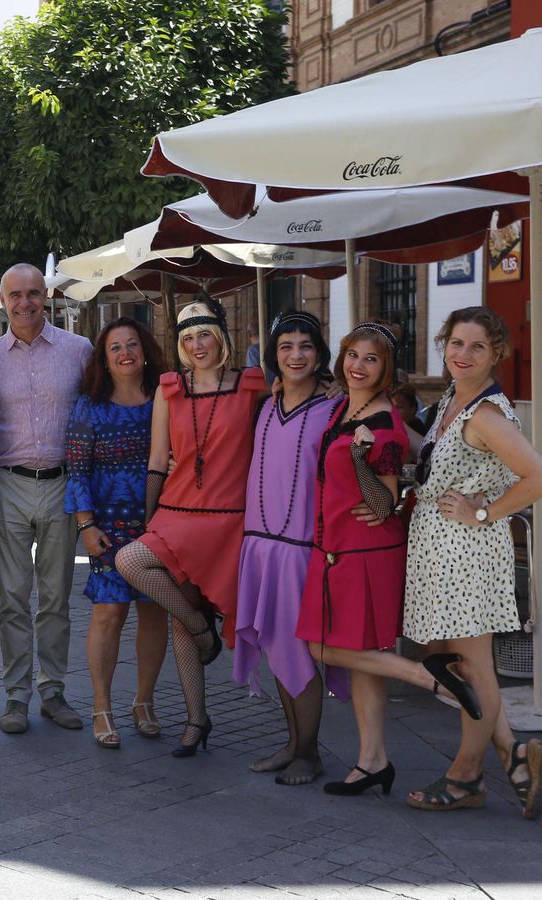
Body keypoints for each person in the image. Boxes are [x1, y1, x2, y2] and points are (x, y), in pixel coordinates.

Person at [402, 308, 542, 818]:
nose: (462, 355)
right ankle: (512, 752)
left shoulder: (486, 414)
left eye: (476, 348)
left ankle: (466, 777)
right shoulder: (453, 398)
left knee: (472, 665)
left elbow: (541, 479)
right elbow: (440, 458)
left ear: (496, 355)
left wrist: (483, 511)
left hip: (466, 554)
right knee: (454, 661)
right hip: (441, 551)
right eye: (456, 343)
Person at [296, 323, 460, 799]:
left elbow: (386, 502)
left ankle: (423, 675)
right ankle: (372, 761)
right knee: (364, 660)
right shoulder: (344, 407)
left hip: (365, 552)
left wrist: (368, 461)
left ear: (385, 369)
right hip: (333, 549)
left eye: (371, 358)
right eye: (352, 355)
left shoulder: (384, 423)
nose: (358, 365)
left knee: (321, 647)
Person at [116, 298, 266, 757]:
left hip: (229, 520)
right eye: (187, 338)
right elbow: (158, 460)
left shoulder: (251, 385)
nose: (196, 345)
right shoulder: (169, 388)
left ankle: (197, 722)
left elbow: (268, 454)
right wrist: (148, 518)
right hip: (177, 513)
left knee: (181, 612)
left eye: (204, 335)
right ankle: (204, 634)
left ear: (219, 336)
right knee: (132, 559)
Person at [0, 263, 93, 734]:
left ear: (46, 296)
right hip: (8, 483)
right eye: (14, 295)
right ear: (2, 301)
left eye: (32, 294)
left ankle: (53, 691)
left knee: (56, 597)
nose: (23, 303)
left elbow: (98, 409)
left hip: (63, 484)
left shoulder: (79, 351)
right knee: (11, 596)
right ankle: (16, 696)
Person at [233, 311, 336, 784]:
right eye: (287, 346)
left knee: (299, 651)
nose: (296, 355)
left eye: (306, 346)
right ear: (273, 356)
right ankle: (292, 743)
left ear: (320, 354)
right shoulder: (265, 403)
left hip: (301, 547)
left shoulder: (336, 407)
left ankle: (310, 753)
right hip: (259, 544)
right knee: (275, 645)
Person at [64, 317, 169, 748]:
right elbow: (77, 469)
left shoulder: (166, 398)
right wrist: (86, 526)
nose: (125, 353)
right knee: (108, 613)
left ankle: (144, 702)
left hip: (160, 523)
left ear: (144, 351)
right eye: (115, 348)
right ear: (104, 361)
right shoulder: (90, 405)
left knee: (154, 612)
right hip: (107, 525)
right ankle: (101, 707)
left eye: (131, 345)